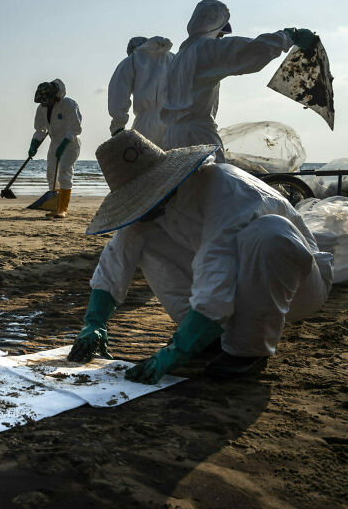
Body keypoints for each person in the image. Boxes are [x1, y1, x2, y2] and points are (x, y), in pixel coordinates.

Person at [67, 130, 332, 382]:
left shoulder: (224, 188)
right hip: (235, 290)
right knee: (143, 237)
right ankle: (206, 336)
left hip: (297, 290)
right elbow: (116, 257)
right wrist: (94, 322)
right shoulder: (154, 211)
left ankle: (248, 348)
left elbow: (217, 266)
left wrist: (177, 351)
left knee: (270, 233)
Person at [160, 0, 316, 150]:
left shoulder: (181, 55)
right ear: (213, 25)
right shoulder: (205, 49)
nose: (221, 36)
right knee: (211, 176)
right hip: (197, 138)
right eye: (221, 31)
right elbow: (250, 50)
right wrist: (288, 36)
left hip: (171, 137)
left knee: (185, 177)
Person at [28, 79, 81, 219]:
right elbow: (40, 129)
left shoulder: (69, 105)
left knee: (64, 172)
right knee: (52, 175)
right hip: (54, 143)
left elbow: (76, 128)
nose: (44, 103)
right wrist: (34, 144)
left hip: (70, 144)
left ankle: (62, 209)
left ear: (55, 96)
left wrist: (64, 144)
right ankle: (54, 206)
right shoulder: (41, 108)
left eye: (47, 101)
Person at [108, 36, 174, 146]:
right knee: (174, 162)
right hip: (175, 124)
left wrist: (117, 128)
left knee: (144, 161)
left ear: (133, 50)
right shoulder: (174, 59)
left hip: (147, 124)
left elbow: (118, 96)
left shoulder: (133, 60)